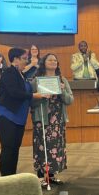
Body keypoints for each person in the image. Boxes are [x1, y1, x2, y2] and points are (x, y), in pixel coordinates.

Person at [0, 48, 45, 176]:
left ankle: (12, 177)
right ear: (15, 59)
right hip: (6, 115)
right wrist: (33, 96)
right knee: (8, 148)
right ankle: (6, 180)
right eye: (24, 58)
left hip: (18, 117)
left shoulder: (22, 74)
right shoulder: (9, 72)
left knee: (14, 149)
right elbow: (14, 92)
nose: (26, 61)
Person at [31, 53, 74, 187]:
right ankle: (40, 177)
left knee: (55, 147)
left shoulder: (62, 80)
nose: (53, 61)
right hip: (42, 119)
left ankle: (51, 175)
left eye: (55, 60)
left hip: (57, 120)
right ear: (44, 63)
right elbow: (30, 101)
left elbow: (70, 100)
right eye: (50, 59)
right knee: (42, 146)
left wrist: (62, 91)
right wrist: (41, 96)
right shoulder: (36, 80)